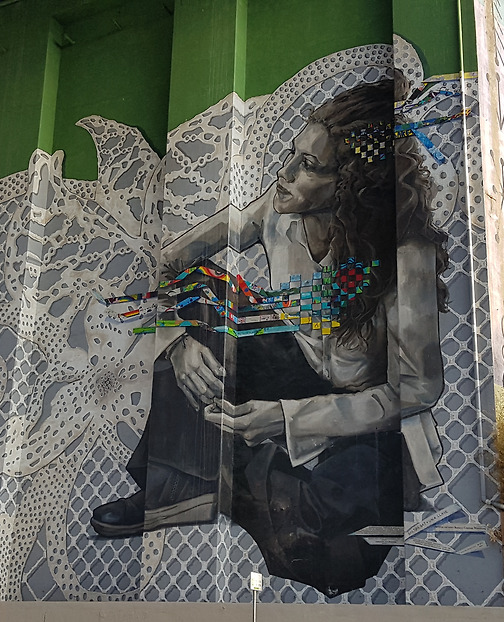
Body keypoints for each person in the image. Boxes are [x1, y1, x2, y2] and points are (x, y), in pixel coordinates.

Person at [91, 79, 449, 596]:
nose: (285, 173)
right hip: (292, 369)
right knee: (208, 296)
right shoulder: (277, 213)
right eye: (292, 155)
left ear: (352, 184)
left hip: (365, 420)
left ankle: (222, 479)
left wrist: (283, 418)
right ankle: (172, 488)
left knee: (319, 549)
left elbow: (415, 390)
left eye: (309, 165)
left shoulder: (405, 255)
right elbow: (174, 261)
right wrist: (178, 340)